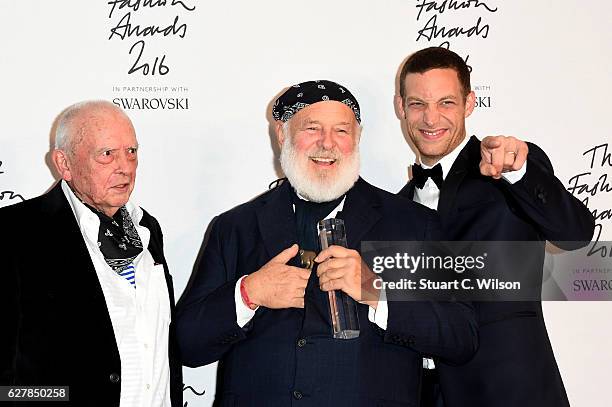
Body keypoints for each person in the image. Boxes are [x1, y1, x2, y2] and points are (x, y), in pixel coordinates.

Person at [176, 80, 478, 407]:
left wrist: (377, 294)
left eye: (342, 131)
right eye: (312, 128)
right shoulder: (235, 228)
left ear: (357, 138)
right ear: (282, 134)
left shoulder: (412, 225)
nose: (327, 143)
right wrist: (249, 293)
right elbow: (186, 345)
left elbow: (460, 338)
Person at [395, 47, 595, 407]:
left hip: (510, 393)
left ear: (470, 103)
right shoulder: (395, 205)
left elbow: (576, 234)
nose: (430, 117)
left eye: (446, 103)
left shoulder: (508, 168)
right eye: (417, 104)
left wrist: (520, 172)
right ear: (401, 108)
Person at [0, 101, 182, 406]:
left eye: (131, 152)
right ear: (64, 164)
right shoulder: (14, 234)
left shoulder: (147, 228)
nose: (125, 166)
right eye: (107, 154)